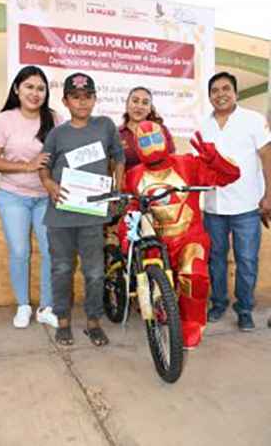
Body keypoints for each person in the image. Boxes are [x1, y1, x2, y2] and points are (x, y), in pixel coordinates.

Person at [117, 121, 240, 348]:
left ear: (165, 138)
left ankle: (191, 324)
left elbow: (230, 176)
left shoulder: (187, 164)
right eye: (144, 141)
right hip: (154, 241)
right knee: (155, 288)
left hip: (188, 238)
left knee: (194, 275)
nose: (151, 145)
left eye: (155, 138)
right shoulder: (133, 175)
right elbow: (130, 210)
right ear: (136, 145)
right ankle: (163, 308)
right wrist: (127, 237)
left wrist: (214, 160)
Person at [39, 72, 125, 346]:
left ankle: (93, 322)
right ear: (65, 101)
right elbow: (44, 165)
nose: (82, 102)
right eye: (75, 97)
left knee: (95, 272)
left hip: (92, 216)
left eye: (88, 96)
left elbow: (119, 158)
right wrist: (49, 183)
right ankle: (63, 321)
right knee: (62, 269)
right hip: (60, 215)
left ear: (95, 99)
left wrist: (116, 191)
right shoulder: (57, 133)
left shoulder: (105, 126)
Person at [0, 65, 63, 329]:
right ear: (17, 89)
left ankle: (46, 307)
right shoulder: (4, 119)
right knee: (20, 251)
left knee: (51, 251)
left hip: (46, 197)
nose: (35, 93)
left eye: (41, 88)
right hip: (13, 197)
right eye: (29, 86)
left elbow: (66, 152)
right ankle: (23, 305)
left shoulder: (54, 118)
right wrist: (27, 166)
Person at [202, 72, 271, 331]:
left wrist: (269, 195)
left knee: (247, 260)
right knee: (216, 259)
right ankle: (218, 304)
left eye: (226, 88)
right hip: (213, 206)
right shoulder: (203, 124)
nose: (220, 94)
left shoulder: (253, 120)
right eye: (215, 90)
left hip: (246, 207)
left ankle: (244, 309)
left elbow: (267, 158)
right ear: (209, 96)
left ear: (235, 93)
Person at [119, 87, 175, 170]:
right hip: (128, 182)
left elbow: (172, 161)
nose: (139, 106)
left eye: (145, 103)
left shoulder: (160, 130)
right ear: (127, 104)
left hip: (156, 181)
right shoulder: (118, 134)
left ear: (149, 109)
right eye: (135, 101)